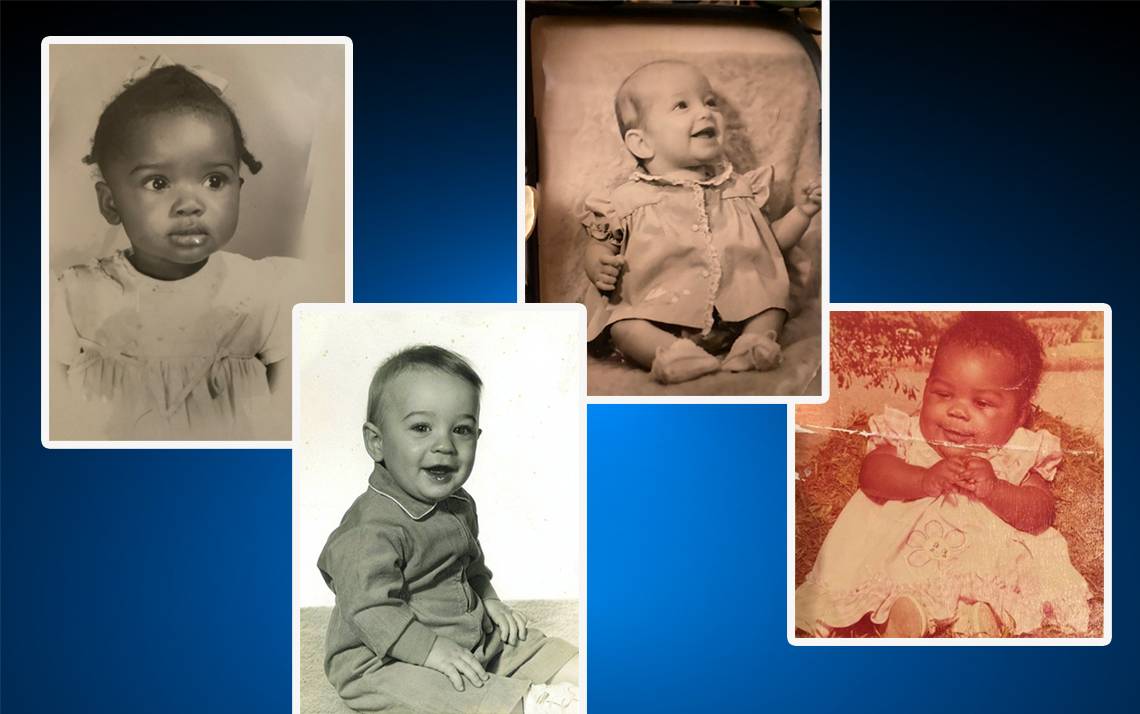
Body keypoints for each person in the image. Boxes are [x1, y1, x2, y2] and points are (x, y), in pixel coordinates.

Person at [318, 345, 579, 713]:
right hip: (385, 659)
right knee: (452, 694)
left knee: (545, 653)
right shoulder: (370, 529)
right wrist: (430, 650)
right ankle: (531, 704)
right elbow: (369, 610)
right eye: (421, 427)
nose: (444, 445)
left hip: (467, 636)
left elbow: (470, 566)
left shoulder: (458, 503)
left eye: (461, 430)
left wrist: (489, 599)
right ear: (376, 442)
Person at [796, 313, 1091, 637]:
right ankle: (896, 614)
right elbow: (872, 476)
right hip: (905, 554)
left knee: (1002, 583)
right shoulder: (907, 433)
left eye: (981, 402)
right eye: (943, 394)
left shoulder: (1019, 450)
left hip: (984, 563)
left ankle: (980, 618)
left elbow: (1039, 512)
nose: (957, 411)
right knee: (885, 577)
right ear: (926, 388)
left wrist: (995, 489)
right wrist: (921, 479)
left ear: (1019, 414)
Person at [51, 60, 299, 440]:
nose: (190, 204)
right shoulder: (74, 297)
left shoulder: (264, 295)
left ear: (239, 188)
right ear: (110, 202)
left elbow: (290, 418)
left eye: (214, 180)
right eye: (158, 182)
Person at [581, 60, 821, 383]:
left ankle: (754, 343)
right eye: (682, 105)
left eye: (710, 102)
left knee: (773, 300)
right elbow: (599, 244)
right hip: (658, 310)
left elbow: (770, 248)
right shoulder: (625, 200)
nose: (706, 112)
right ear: (642, 143)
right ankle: (670, 354)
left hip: (735, 311)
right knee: (623, 324)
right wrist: (598, 265)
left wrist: (803, 212)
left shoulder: (738, 190)